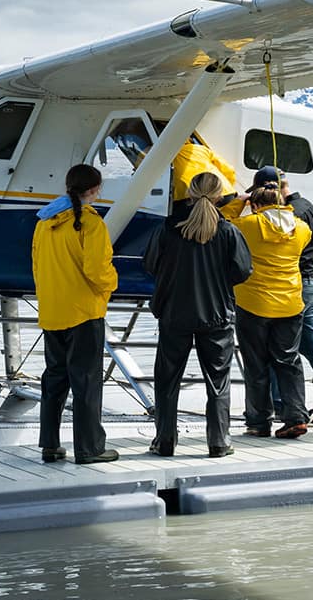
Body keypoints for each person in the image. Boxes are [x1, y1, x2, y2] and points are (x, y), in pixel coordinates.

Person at [142, 171, 254, 458]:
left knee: (168, 380)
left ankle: (164, 441)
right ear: (219, 196)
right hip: (217, 314)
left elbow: (150, 263)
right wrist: (219, 280)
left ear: (189, 194)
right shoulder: (227, 231)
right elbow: (243, 270)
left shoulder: (168, 228)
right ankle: (219, 442)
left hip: (174, 312)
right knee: (218, 381)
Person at [31, 163, 121, 464]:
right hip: (83, 312)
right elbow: (97, 269)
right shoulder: (92, 223)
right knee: (86, 382)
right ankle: (89, 448)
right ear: (94, 190)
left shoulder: (44, 222)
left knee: (54, 379)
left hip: (52, 311)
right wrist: (111, 285)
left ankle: (50, 445)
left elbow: (36, 266)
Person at [248, 166, 313, 421]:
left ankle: (281, 404)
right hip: (311, 281)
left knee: (279, 346)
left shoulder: (292, 214)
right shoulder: (306, 206)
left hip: (296, 284)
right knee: (312, 346)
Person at [227, 183, 312, 439]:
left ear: (255, 205)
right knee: (289, 361)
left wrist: (238, 201)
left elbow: (222, 222)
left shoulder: (248, 225)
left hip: (254, 303)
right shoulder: (301, 228)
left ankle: (259, 422)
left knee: (256, 364)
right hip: (290, 303)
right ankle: (296, 417)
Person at [169, 133, 237, 203]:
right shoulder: (200, 149)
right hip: (223, 192)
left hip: (186, 198)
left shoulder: (166, 157)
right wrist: (227, 186)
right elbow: (228, 171)